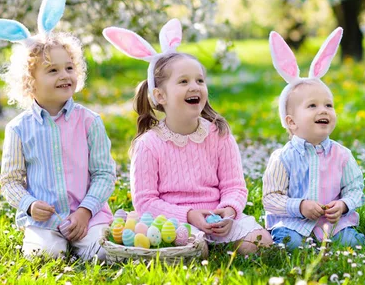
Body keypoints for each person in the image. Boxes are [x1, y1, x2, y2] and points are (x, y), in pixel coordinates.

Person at [103, 19, 273, 254]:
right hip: (175, 221)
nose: (195, 87)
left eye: (199, 80)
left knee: (260, 242)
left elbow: (234, 186)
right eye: (183, 81)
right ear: (160, 95)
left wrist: (229, 210)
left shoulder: (218, 133)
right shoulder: (149, 144)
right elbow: (145, 202)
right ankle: (199, 247)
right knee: (194, 249)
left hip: (218, 216)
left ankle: (221, 239)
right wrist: (189, 215)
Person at [0, 0, 116, 260]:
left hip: (88, 214)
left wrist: (85, 210)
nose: (64, 75)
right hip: (45, 220)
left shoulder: (90, 122)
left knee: (100, 253)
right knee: (44, 256)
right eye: (52, 70)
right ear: (30, 82)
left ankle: (87, 239)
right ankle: (54, 245)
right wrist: (29, 205)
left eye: (69, 67)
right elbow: (10, 181)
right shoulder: (18, 129)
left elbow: (104, 174)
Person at [262, 28, 365, 250]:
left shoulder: (342, 155)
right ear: (291, 122)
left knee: (351, 243)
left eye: (328, 105)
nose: (324, 111)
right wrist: (299, 206)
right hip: (293, 223)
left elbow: (355, 188)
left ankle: (334, 241)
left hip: (332, 224)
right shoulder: (282, 158)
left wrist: (344, 205)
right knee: (291, 244)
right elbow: (270, 197)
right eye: (312, 106)